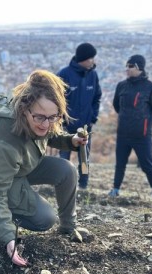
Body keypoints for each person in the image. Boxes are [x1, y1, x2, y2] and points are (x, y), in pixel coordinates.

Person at [0, 70, 90, 267]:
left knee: (67, 170)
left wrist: (71, 141)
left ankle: (68, 227)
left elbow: (46, 133)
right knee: (44, 219)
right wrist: (8, 237)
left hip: (24, 164)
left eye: (53, 117)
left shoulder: (40, 118)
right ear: (24, 110)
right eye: (40, 117)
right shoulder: (4, 140)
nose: (47, 123)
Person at [108, 55, 152, 202]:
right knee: (120, 164)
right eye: (126, 66)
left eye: (130, 66)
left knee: (147, 165)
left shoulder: (151, 88)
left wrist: (146, 122)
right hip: (123, 133)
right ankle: (115, 190)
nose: (127, 69)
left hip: (142, 135)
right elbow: (117, 105)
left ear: (139, 67)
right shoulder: (121, 86)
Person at [57, 42, 102, 189]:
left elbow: (97, 97)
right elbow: (55, 99)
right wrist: (61, 120)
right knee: (64, 159)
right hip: (66, 127)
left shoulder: (93, 76)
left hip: (85, 127)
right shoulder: (64, 75)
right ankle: (64, 184)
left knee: (84, 159)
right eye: (91, 58)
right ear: (83, 59)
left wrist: (93, 117)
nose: (93, 61)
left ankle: (83, 184)